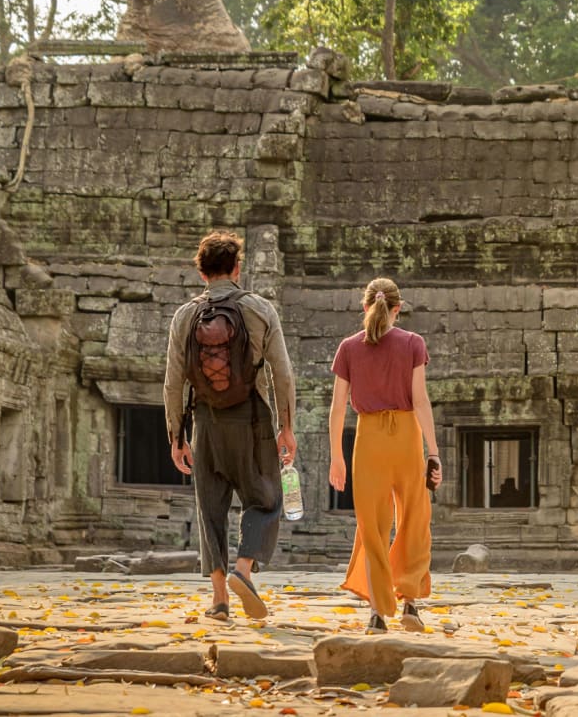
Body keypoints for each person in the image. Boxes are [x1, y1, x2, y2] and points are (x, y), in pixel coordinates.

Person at [163, 231, 297, 622]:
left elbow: (173, 381)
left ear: (202, 273)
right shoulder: (258, 310)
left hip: (205, 422)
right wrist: (286, 426)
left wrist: (177, 436)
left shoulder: (185, 316)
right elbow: (282, 373)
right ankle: (243, 569)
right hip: (251, 419)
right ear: (237, 268)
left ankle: (220, 600)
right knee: (266, 498)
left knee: (210, 509)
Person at [328, 278, 442, 634]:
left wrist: (337, 457)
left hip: (369, 440)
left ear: (365, 307)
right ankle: (409, 602)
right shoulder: (412, 343)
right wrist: (434, 453)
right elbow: (421, 401)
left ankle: (378, 612)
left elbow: (337, 409)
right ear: (398, 308)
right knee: (413, 517)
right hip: (407, 436)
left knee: (372, 527)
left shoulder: (348, 347)